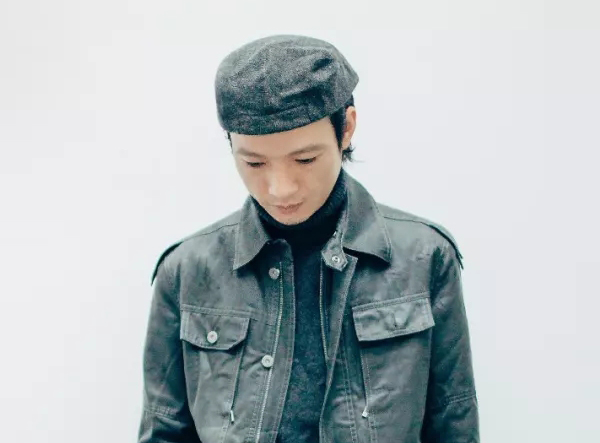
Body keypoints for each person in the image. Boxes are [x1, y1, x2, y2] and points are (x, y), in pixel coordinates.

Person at [138, 34, 479, 443]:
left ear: (346, 128)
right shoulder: (185, 271)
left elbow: (454, 427)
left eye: (305, 159)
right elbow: (164, 432)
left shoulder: (425, 258)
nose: (280, 189)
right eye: (254, 163)